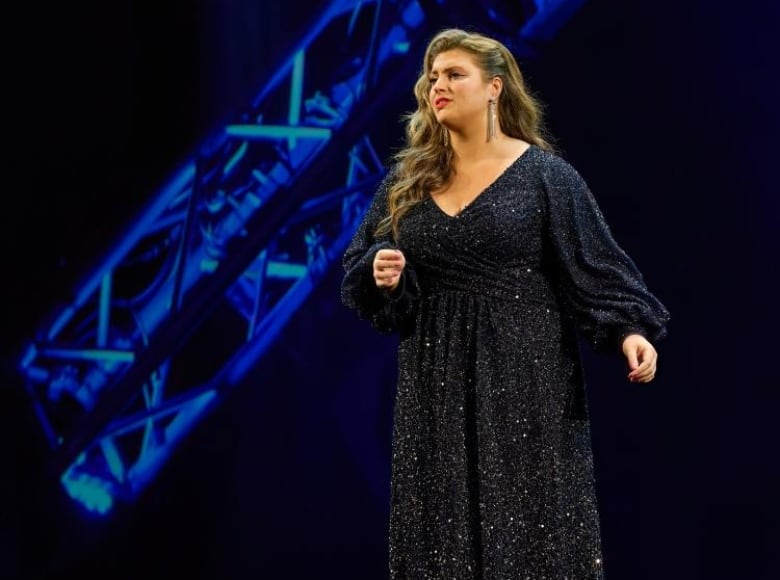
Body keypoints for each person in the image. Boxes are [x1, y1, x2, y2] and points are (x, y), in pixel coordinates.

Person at [341, 28, 670, 580]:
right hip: (435, 387)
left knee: (529, 533)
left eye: (454, 74)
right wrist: (383, 274)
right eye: (432, 76)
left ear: (494, 87)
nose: (437, 85)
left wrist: (629, 332)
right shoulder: (407, 182)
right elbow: (362, 271)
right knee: (441, 539)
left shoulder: (546, 177)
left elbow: (597, 269)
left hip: (524, 383)